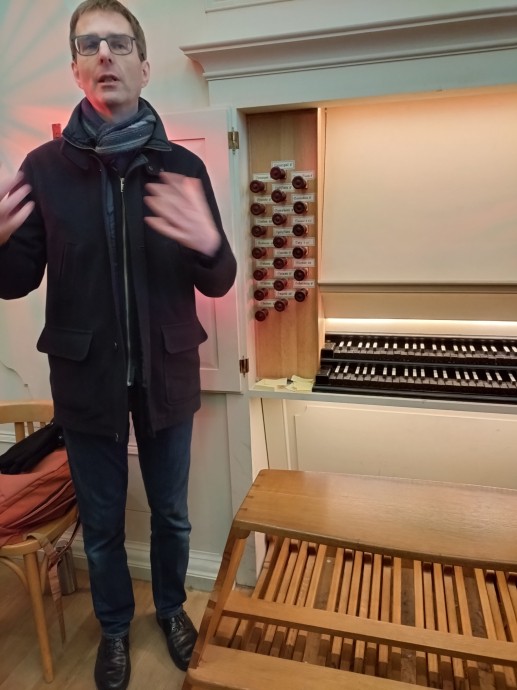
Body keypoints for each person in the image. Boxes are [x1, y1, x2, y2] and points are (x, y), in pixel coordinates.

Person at [0, 1, 237, 688]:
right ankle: (112, 631)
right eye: (89, 44)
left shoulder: (182, 167)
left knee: (171, 514)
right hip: (84, 377)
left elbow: (219, 279)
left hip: (166, 367)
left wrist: (209, 244)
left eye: (119, 42)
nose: (105, 54)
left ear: (143, 65)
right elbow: (15, 283)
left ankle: (171, 609)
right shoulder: (43, 169)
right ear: (76, 69)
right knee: (102, 522)